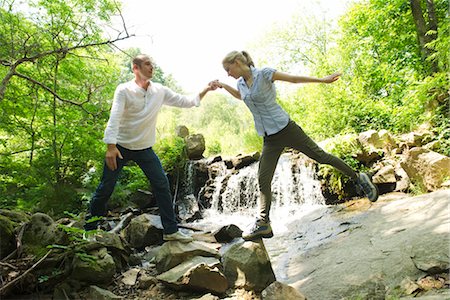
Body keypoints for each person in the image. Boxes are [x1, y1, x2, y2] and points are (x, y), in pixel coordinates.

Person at [210, 50, 379, 241]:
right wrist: (223, 86)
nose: (227, 73)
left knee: (321, 157)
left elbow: (293, 79)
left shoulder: (265, 74)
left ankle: (359, 178)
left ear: (238, 62)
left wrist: (322, 80)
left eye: (228, 69)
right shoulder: (241, 83)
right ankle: (264, 222)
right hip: (269, 138)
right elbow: (242, 96)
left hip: (286, 129)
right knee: (263, 179)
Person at [84, 54, 216, 243]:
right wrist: (110, 147)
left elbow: (186, 101)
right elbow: (114, 118)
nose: (151, 67)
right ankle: (89, 230)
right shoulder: (124, 90)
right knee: (106, 187)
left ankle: (171, 231)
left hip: (145, 148)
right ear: (135, 68)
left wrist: (206, 89)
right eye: (147, 64)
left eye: (152, 64)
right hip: (120, 147)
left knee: (162, 185)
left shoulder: (159, 91)